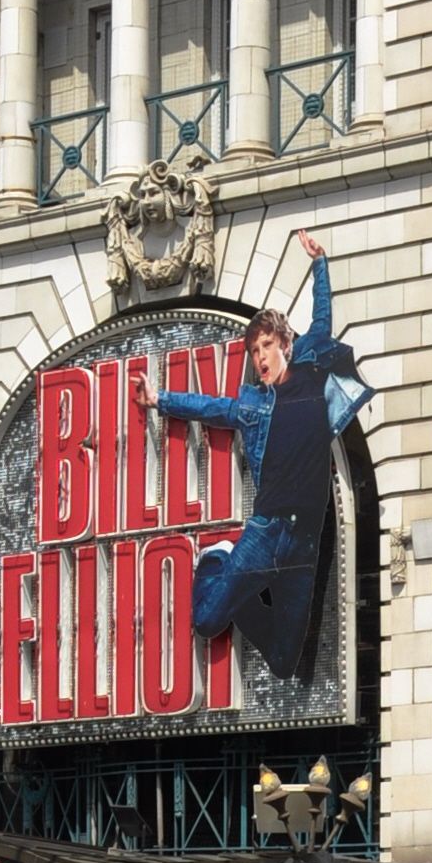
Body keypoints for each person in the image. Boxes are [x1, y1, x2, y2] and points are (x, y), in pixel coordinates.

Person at [158, 234, 376, 679]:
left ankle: (238, 590)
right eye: (254, 351)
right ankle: (217, 559)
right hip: (265, 531)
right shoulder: (255, 406)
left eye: (265, 347)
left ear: (285, 344)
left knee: (283, 662)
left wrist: (320, 265)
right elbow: (210, 408)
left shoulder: (314, 368)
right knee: (205, 620)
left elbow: (322, 318)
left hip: (305, 541)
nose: (260, 358)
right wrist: (159, 400)